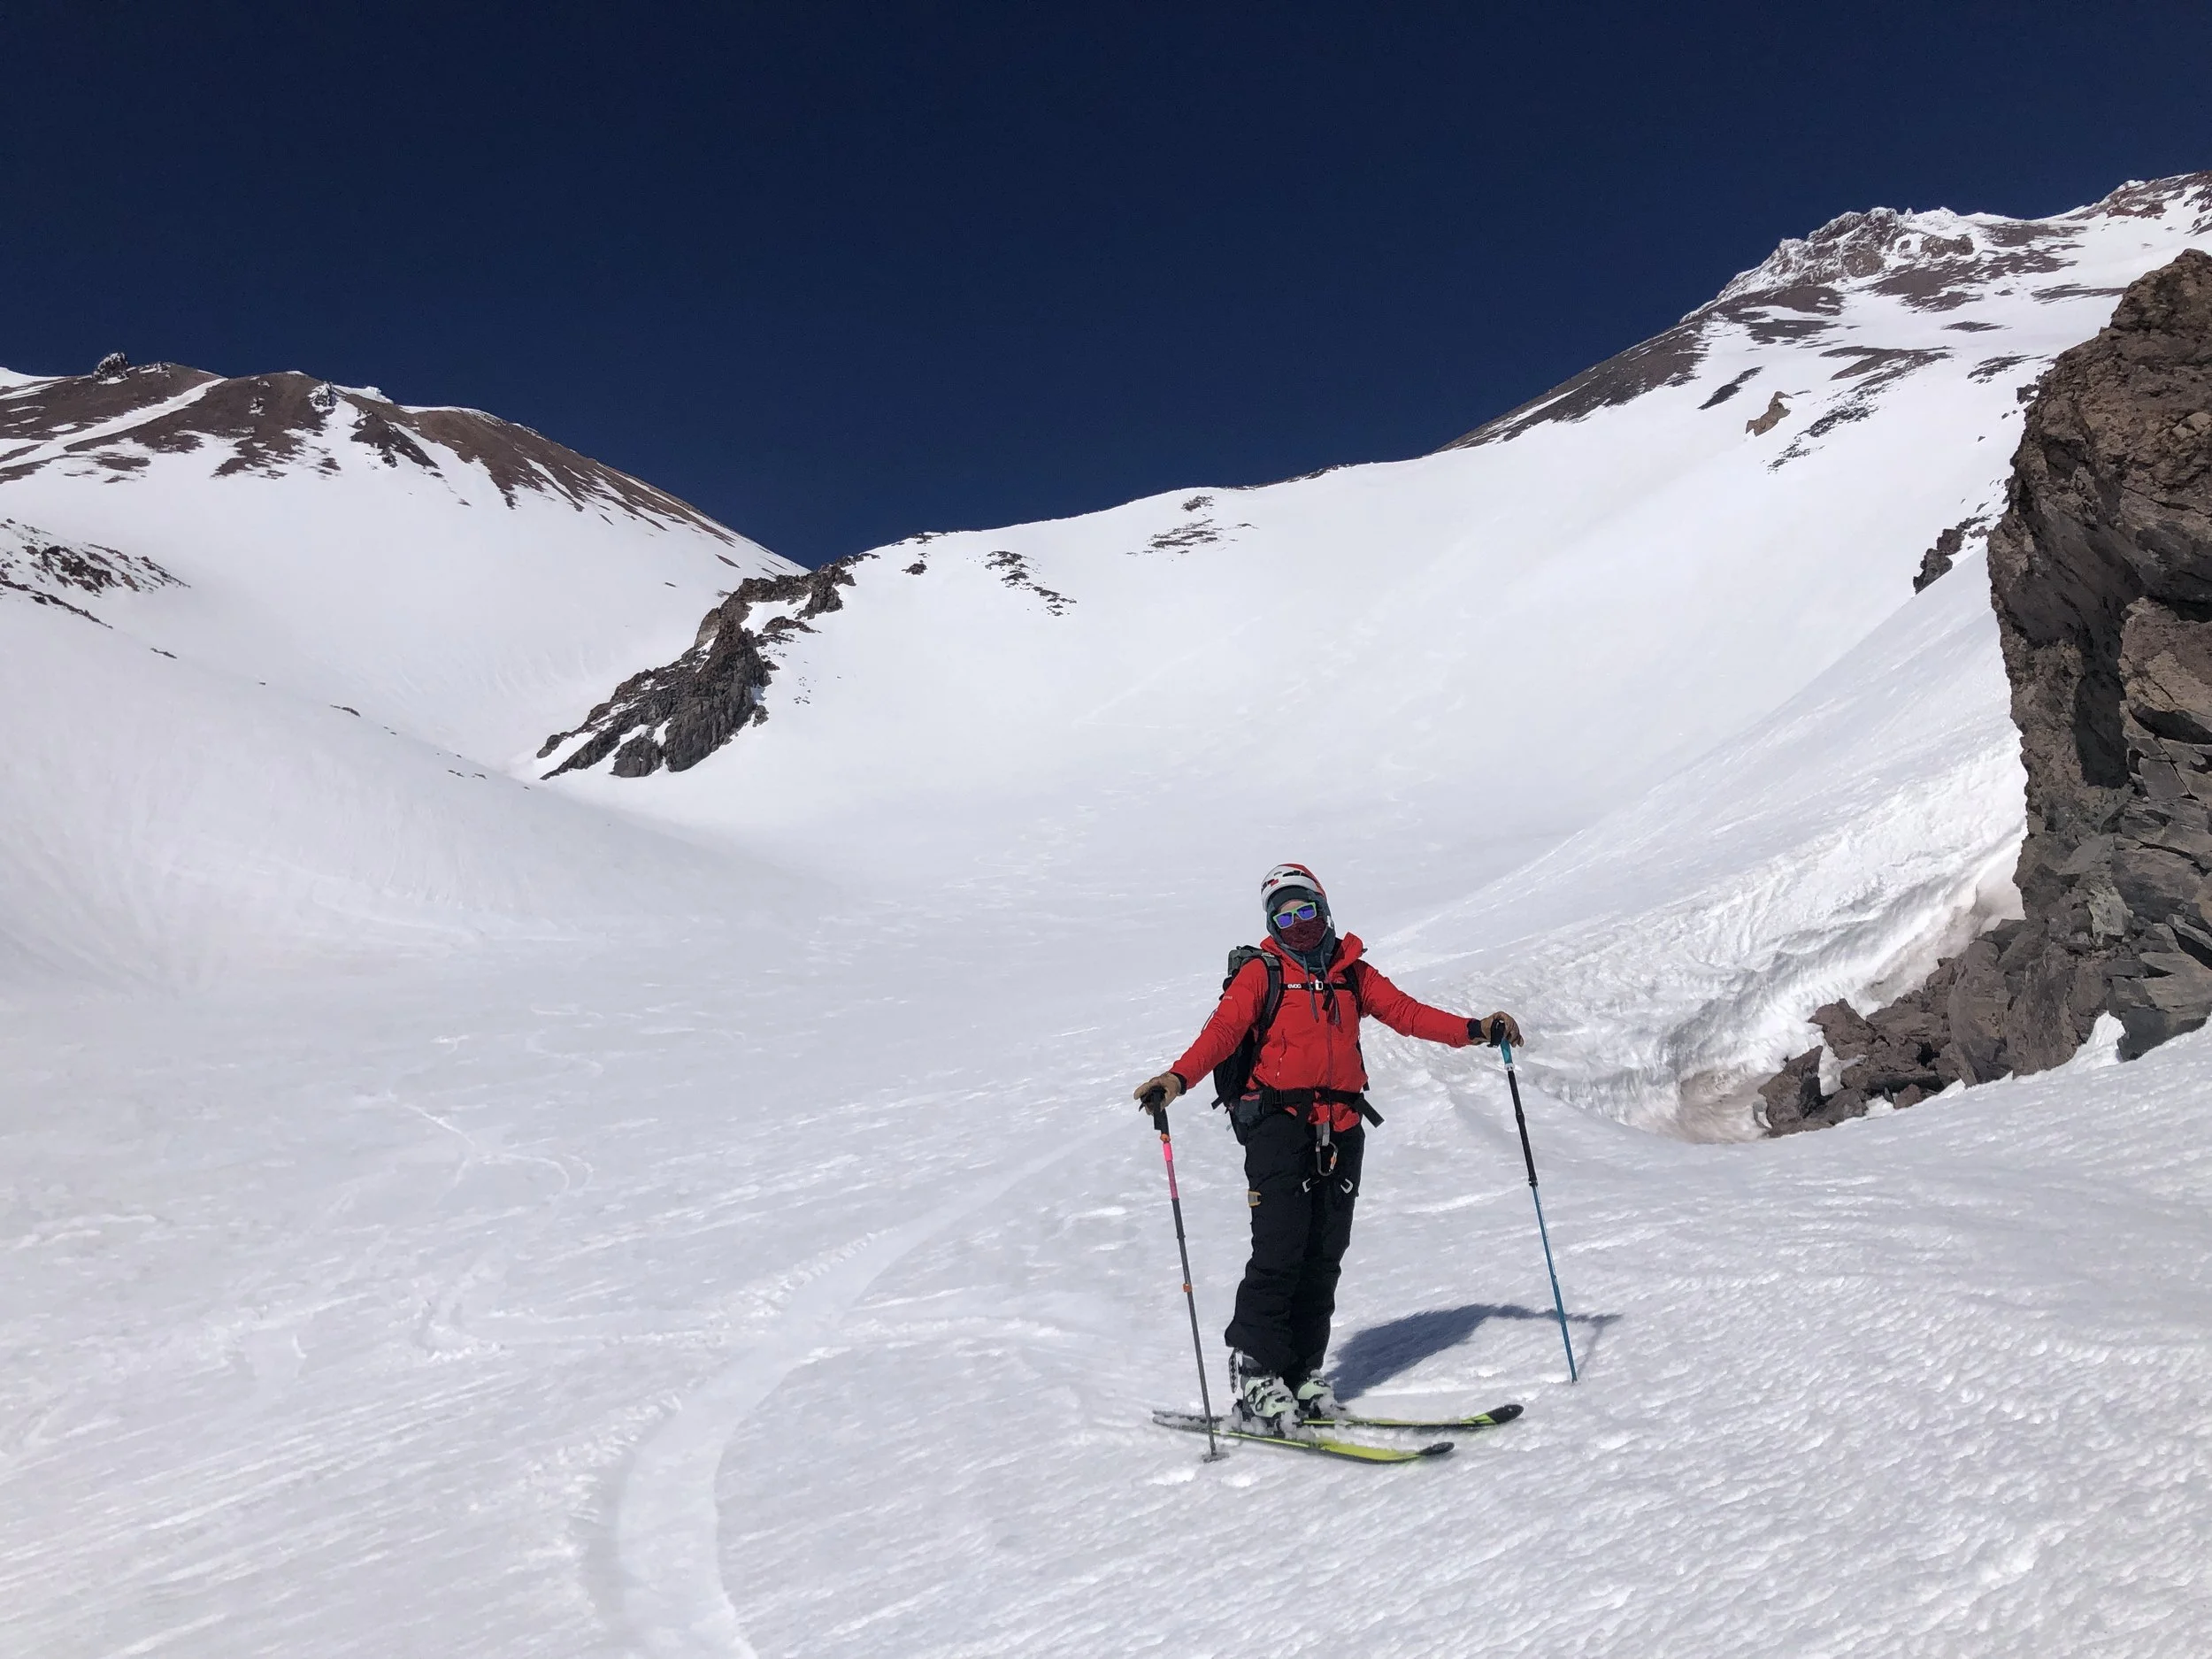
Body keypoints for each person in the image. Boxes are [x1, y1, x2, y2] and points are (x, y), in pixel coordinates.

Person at [1133, 863, 1522, 1438]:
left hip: (1340, 1128)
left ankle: (1303, 1373)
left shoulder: (1352, 974)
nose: (1297, 923)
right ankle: (1258, 1374)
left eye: (1306, 910)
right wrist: (1177, 1077)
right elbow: (1223, 1033)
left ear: (1324, 909)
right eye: (1284, 915)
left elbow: (1408, 1015)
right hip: (1279, 1126)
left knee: (1323, 1252)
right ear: (1271, 923)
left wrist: (1475, 1028)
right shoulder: (1262, 976)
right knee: (1280, 1249)